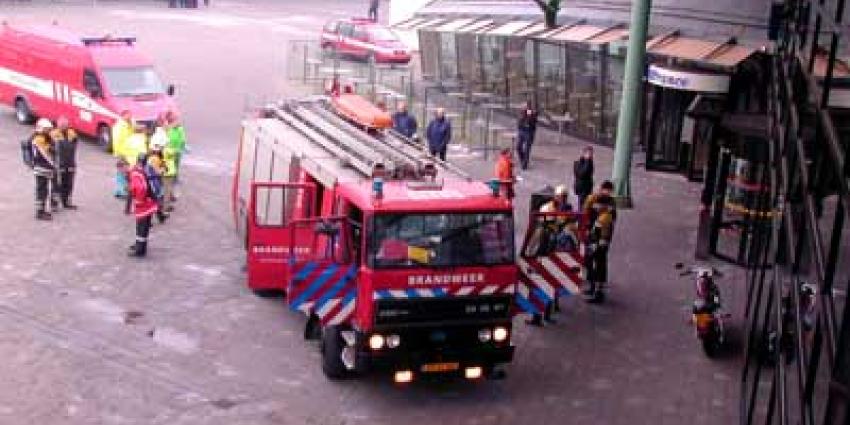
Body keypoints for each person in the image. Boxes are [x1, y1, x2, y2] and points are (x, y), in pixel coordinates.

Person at [528, 184, 575, 327]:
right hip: (543, 251)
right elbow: (539, 233)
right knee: (539, 285)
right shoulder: (547, 209)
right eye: (561, 197)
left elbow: (569, 229)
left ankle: (547, 314)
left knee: (551, 284)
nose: (563, 199)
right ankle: (537, 316)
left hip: (555, 252)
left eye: (565, 197)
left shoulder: (566, 211)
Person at [583, 180, 616, 302]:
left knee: (600, 263)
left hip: (601, 237)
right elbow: (585, 213)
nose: (607, 193)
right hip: (593, 234)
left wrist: (603, 242)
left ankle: (598, 291)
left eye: (609, 191)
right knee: (588, 260)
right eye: (605, 190)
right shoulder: (592, 199)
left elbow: (609, 224)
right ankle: (592, 284)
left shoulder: (610, 205)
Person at [127, 153, 159, 257]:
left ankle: (140, 250)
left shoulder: (136, 172)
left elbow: (140, 188)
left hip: (144, 204)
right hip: (151, 202)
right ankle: (141, 245)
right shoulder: (148, 168)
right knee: (145, 227)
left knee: (141, 227)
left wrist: (139, 200)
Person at [51, 116, 78, 210]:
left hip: (70, 162)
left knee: (69, 183)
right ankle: (54, 204)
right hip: (58, 163)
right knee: (57, 184)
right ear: (58, 124)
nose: (63, 126)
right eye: (61, 124)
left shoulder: (72, 133)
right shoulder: (53, 134)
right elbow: (51, 149)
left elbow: (74, 147)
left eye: (65, 124)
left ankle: (66, 202)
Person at [31, 119, 56, 221]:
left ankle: (42, 210)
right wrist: (54, 165)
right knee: (41, 190)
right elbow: (45, 155)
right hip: (42, 168)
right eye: (47, 129)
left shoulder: (45, 138)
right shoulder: (39, 139)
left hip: (45, 168)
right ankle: (39, 212)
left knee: (44, 190)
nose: (49, 131)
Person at [165, 111, 188, 200]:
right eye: (174, 118)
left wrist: (184, 145)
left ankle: (175, 181)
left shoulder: (179, 128)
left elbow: (182, 138)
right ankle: (170, 192)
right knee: (170, 171)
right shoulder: (167, 129)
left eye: (176, 118)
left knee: (176, 169)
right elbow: (166, 141)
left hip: (177, 152)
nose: (177, 120)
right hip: (170, 153)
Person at [146, 141, 170, 224]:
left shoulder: (152, 157)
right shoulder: (154, 158)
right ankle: (150, 220)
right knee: (156, 200)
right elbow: (158, 172)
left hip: (152, 181)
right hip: (153, 181)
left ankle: (160, 216)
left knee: (156, 200)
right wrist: (164, 169)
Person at [111, 110, 133, 198]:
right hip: (123, 153)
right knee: (123, 173)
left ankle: (118, 191)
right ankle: (122, 191)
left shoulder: (125, 125)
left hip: (125, 152)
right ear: (123, 115)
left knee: (121, 172)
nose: (130, 117)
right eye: (129, 115)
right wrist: (120, 154)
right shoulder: (121, 126)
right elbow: (117, 141)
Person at [516, 101, 538, 170]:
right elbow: (519, 122)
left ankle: (524, 165)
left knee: (527, 149)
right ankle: (523, 160)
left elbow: (532, 122)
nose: (524, 108)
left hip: (529, 132)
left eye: (526, 106)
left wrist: (530, 115)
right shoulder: (521, 112)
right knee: (518, 147)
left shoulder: (532, 113)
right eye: (524, 106)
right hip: (522, 131)